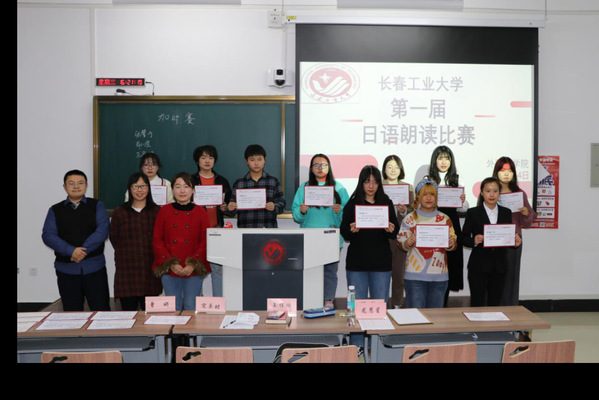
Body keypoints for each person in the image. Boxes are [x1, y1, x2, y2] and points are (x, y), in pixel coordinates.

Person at [340, 165, 399, 351]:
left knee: (378, 309)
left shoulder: (386, 202)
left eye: (375, 182)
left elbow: (394, 231)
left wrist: (391, 229)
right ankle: (356, 347)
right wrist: (351, 230)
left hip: (381, 264)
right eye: (367, 182)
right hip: (357, 264)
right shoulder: (353, 203)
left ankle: (378, 348)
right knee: (357, 309)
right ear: (362, 183)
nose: (371, 186)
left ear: (379, 183)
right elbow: (344, 232)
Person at [42, 170, 111, 311]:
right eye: (71, 183)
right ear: (64, 187)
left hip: (94, 268)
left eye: (80, 183)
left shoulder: (97, 205)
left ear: (86, 185)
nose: (76, 186)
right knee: (71, 313)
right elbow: (48, 235)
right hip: (66, 270)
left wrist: (81, 251)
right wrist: (71, 251)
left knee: (101, 310)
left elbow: (102, 231)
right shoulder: (55, 210)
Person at [291, 154, 349, 308]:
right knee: (310, 271)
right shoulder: (303, 188)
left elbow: (348, 216)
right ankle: (310, 301)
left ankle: (328, 301)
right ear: (311, 169)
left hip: (331, 237)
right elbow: (296, 215)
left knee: (330, 272)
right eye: (316, 165)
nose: (320, 168)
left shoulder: (339, 188)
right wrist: (301, 211)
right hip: (309, 237)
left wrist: (339, 210)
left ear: (329, 168)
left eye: (324, 165)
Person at [152, 172, 210, 311]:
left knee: (191, 306)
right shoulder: (164, 211)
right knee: (173, 308)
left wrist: (193, 264)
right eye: (178, 187)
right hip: (170, 268)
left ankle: (192, 329)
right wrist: (170, 263)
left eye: (186, 186)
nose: (182, 191)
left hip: (193, 270)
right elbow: (157, 240)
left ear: (193, 189)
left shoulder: (201, 212)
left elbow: (205, 241)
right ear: (172, 190)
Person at [397, 178, 456, 309]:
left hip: (439, 277)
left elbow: (453, 245)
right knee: (416, 317)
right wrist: (408, 242)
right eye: (424, 194)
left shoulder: (445, 219)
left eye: (432, 194)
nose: (428, 198)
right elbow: (400, 243)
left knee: (436, 317)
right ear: (418, 196)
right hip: (414, 277)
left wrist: (451, 244)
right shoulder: (409, 218)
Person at [462, 177, 522, 307]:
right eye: (488, 191)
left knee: (495, 304)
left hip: (499, 266)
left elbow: (507, 237)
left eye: (495, 191)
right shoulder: (473, 212)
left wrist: (515, 242)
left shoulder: (506, 212)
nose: (492, 194)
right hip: (478, 266)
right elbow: (463, 238)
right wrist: (474, 241)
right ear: (482, 192)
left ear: (499, 192)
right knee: (477, 303)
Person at [109, 172, 162, 311]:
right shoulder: (120, 212)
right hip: (127, 270)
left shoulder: (156, 211)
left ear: (148, 188)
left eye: (143, 186)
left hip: (150, 269)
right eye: (135, 186)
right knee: (128, 314)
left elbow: (161, 238)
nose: (139, 190)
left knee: (150, 315)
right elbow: (114, 238)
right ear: (130, 189)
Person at [492, 156, 536, 306]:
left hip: (514, 240)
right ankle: (493, 308)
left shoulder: (520, 193)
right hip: (494, 240)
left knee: (511, 277)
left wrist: (526, 213)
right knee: (493, 277)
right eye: (503, 170)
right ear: (496, 172)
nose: (506, 174)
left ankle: (510, 309)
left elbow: (527, 222)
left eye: (510, 171)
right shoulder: (490, 191)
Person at [428, 145, 468, 305]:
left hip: (451, 225)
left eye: (447, 158)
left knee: (450, 263)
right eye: (440, 158)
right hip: (432, 225)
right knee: (433, 262)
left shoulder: (457, 179)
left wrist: (462, 201)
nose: (443, 162)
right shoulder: (428, 179)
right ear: (435, 160)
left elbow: (463, 209)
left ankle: (443, 303)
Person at [191, 144, 232, 297]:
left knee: (217, 269)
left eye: (210, 157)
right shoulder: (190, 180)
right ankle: (197, 303)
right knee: (197, 268)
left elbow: (229, 207)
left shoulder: (222, 181)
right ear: (197, 161)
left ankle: (218, 303)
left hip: (216, 230)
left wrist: (225, 208)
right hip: (196, 232)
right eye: (203, 157)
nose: (207, 161)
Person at [381, 154, 414, 309]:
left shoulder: (408, 188)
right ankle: (380, 304)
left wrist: (404, 211)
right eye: (389, 167)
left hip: (401, 236)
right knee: (381, 273)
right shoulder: (378, 186)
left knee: (398, 274)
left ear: (400, 169)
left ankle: (397, 304)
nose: (393, 170)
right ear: (384, 169)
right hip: (381, 236)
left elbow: (414, 212)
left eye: (396, 167)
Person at [227, 144, 286, 228]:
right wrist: (230, 207)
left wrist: (274, 206)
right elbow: (231, 211)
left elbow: (282, 203)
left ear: (265, 160)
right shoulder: (239, 183)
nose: (256, 163)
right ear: (246, 161)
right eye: (252, 160)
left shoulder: (273, 181)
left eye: (259, 159)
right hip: (245, 229)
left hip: (268, 229)